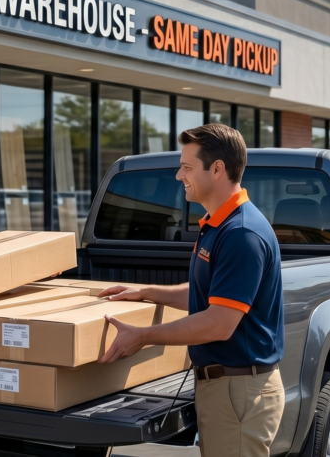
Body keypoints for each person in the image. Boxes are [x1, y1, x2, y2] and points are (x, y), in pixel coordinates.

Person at [97, 123, 284, 457]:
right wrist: (148, 292)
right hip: (226, 387)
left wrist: (142, 336)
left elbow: (219, 322)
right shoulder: (218, 224)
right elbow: (210, 296)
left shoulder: (241, 234)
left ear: (217, 169)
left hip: (238, 391)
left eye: (186, 167)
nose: (178, 175)